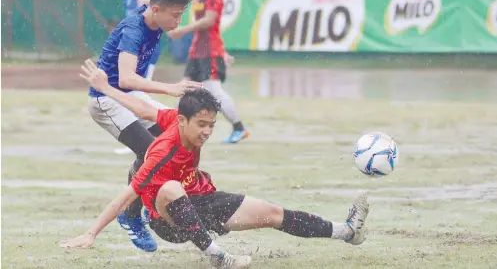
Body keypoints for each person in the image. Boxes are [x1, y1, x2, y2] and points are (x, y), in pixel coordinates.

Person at [61, 60, 371, 269]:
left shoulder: (175, 119)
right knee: (170, 187)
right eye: (202, 125)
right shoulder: (162, 151)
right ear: (183, 121)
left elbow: (141, 107)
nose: (208, 132)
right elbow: (126, 196)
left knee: (273, 213)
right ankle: (217, 256)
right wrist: (91, 233)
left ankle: (347, 232)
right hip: (168, 221)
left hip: (202, 199)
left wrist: (107, 89)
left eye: (212, 124)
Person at [87, 0, 248, 253]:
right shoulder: (135, 29)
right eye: (176, 15)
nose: (178, 21)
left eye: (181, 14)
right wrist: (169, 88)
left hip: (130, 94)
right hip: (106, 97)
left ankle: (182, 197)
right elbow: (125, 78)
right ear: (158, 10)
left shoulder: (158, 8)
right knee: (152, 151)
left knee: (173, 135)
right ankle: (132, 215)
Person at [168, 0, 248, 144]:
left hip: (210, 52)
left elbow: (209, 21)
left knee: (214, 92)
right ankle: (172, 131)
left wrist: (182, 30)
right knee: (182, 90)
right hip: (197, 52)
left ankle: (239, 127)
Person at [100, 0, 161, 80]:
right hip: (129, 45)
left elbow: (162, 1)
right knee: (126, 86)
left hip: (148, 47)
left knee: (141, 87)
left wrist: (147, 1)